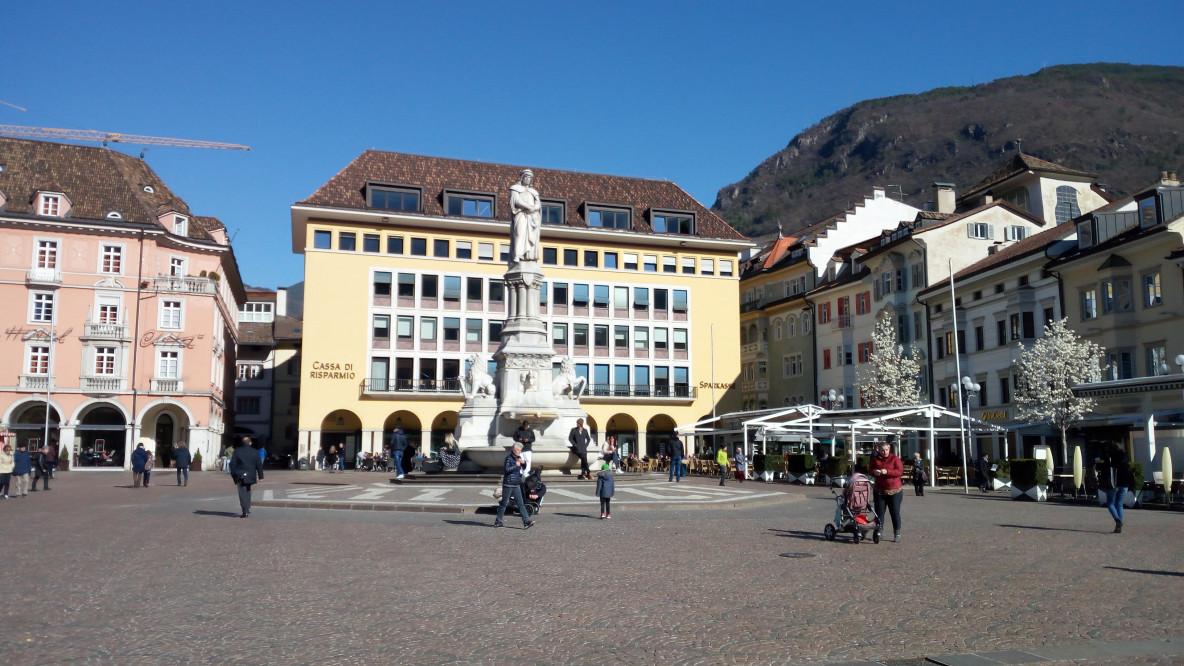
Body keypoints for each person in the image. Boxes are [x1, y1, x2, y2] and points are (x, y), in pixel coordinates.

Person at [869, 439, 904, 542]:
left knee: (895, 512)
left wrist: (887, 471)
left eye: (887, 450)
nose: (885, 452)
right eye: (883, 450)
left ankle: (897, 532)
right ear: (878, 450)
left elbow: (899, 472)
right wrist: (874, 472)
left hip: (894, 490)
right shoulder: (875, 459)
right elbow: (870, 470)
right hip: (880, 490)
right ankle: (879, 531)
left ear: (889, 449)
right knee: (879, 513)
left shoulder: (895, 458)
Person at [494, 443, 534, 529]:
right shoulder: (508, 458)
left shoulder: (518, 458)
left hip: (516, 484)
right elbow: (506, 470)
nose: (520, 452)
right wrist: (516, 465)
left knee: (521, 503)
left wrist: (523, 464)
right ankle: (498, 521)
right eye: (518, 450)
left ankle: (526, 521)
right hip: (508, 483)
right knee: (504, 503)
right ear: (514, 450)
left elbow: (522, 468)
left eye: (520, 450)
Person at [1099, 443, 1134, 534]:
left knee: (1110, 504)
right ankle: (1118, 528)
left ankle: (1118, 521)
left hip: (1113, 484)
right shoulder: (1125, 458)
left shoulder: (1109, 458)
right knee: (1119, 505)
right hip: (1124, 484)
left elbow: (1104, 471)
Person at [509, 169, 542, 263]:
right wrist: (527, 207)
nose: (528, 179)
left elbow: (538, 204)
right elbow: (516, 201)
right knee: (519, 233)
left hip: (532, 217)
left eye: (530, 178)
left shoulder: (533, 192)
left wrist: (534, 208)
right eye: (526, 177)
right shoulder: (515, 188)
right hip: (521, 213)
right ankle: (517, 255)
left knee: (531, 237)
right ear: (522, 178)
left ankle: (528, 256)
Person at [230, 437, 265, 518]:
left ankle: (244, 511)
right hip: (251, 474)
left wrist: (233, 474)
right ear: (250, 443)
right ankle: (247, 507)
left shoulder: (237, 451)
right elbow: (259, 465)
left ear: (242, 443)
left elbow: (233, 464)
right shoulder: (255, 452)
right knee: (248, 490)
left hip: (240, 474)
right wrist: (261, 476)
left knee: (242, 493)